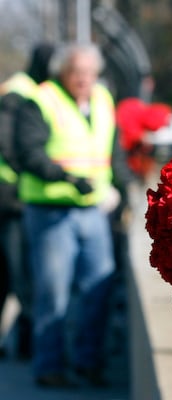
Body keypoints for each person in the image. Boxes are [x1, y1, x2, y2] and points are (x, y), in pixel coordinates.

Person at [15, 42, 134, 388]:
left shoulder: (102, 99)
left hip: (93, 210)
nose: (83, 80)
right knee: (53, 293)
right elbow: (29, 152)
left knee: (100, 286)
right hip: (51, 212)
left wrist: (125, 191)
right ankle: (49, 367)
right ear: (63, 72)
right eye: (76, 73)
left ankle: (88, 362)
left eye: (89, 73)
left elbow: (113, 152)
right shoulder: (40, 100)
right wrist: (67, 178)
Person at [0, 42, 55, 360]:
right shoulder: (20, 92)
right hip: (12, 197)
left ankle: (24, 342)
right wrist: (30, 170)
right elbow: (9, 143)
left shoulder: (21, 89)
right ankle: (26, 344)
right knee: (21, 274)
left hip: (12, 195)